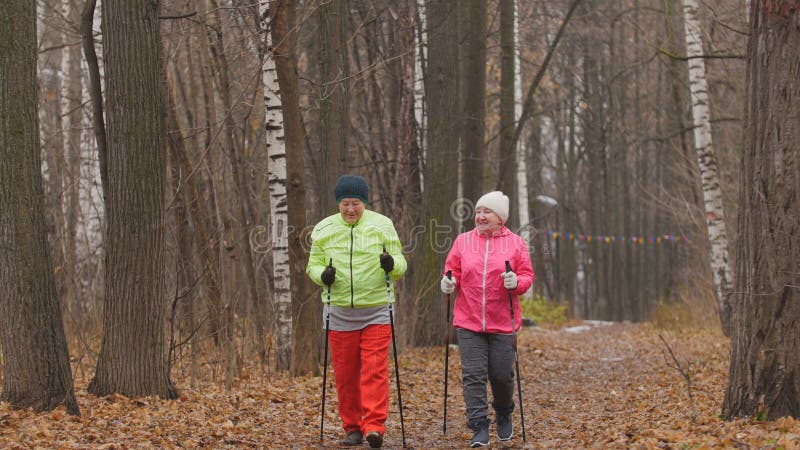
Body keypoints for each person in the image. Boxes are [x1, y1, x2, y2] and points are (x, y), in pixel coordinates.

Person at [306, 174, 407, 449]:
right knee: (346, 375)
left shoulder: (382, 225)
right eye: (345, 204)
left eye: (356, 203)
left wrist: (390, 263)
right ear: (338, 203)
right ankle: (352, 428)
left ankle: (374, 427)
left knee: (373, 371)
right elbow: (312, 265)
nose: (351, 209)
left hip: (376, 309)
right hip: (338, 310)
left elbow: (401, 264)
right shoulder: (324, 228)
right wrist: (322, 275)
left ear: (364, 202)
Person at [440, 191, 535, 448]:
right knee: (473, 375)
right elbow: (452, 271)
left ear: (500, 217)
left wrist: (516, 282)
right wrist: (449, 282)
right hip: (469, 321)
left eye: (487, 212)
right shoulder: (463, 241)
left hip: (503, 322)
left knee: (501, 375)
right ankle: (479, 426)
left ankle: (504, 412)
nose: (480, 216)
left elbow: (527, 276)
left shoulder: (515, 243)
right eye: (478, 211)